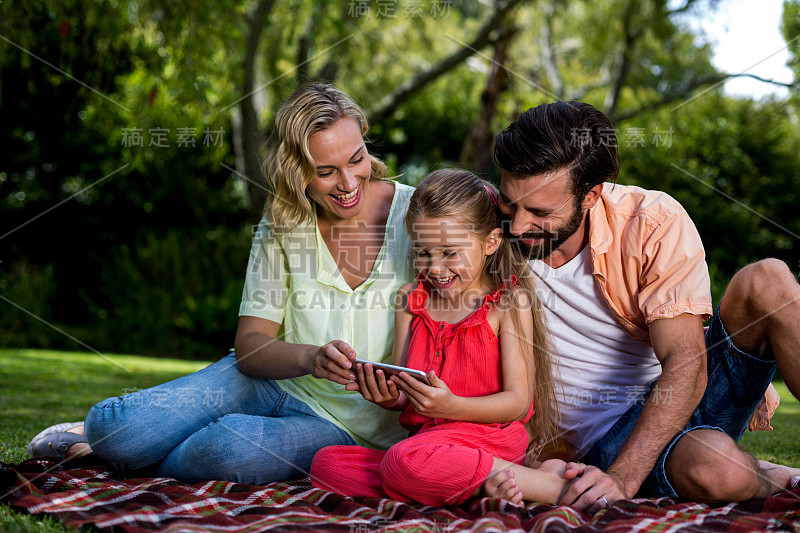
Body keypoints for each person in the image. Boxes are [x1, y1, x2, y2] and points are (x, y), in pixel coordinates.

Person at [26, 83, 417, 485]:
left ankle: (104, 456)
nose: (350, 182)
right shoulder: (284, 222)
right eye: (326, 172)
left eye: (357, 160)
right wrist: (311, 358)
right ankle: (102, 442)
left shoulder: (419, 217)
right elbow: (251, 347)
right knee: (119, 430)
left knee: (225, 450)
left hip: (348, 428)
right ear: (297, 170)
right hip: (271, 381)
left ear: (365, 139)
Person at [485, 101, 800, 511]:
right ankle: (775, 477)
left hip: (679, 393)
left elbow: (685, 359)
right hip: (604, 443)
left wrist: (624, 480)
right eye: (511, 204)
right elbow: (411, 207)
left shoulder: (650, 221)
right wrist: (615, 473)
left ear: (591, 195)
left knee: (769, 278)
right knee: (717, 470)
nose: (519, 225)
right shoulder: (483, 227)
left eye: (541, 212)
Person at [311, 169, 580, 506]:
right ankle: (485, 482)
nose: (435, 268)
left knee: (401, 461)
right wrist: (384, 394)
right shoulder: (409, 301)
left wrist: (453, 406)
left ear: (491, 243)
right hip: (428, 443)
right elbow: (403, 393)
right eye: (424, 253)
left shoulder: (508, 302)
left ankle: (548, 487)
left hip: (490, 437)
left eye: (450, 253)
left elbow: (518, 402)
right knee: (327, 466)